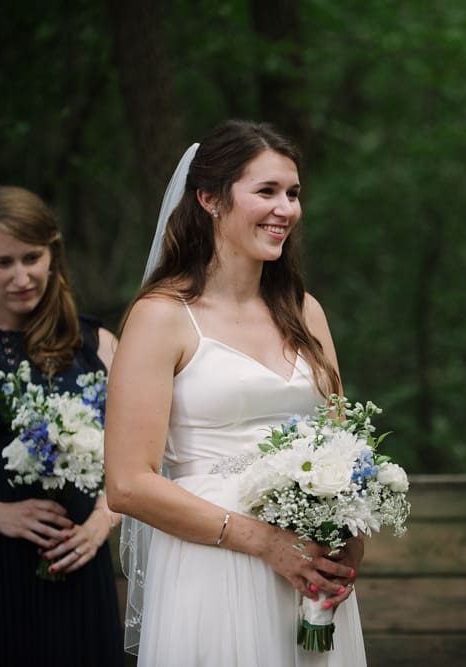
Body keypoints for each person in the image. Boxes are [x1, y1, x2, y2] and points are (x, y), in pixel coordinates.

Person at [104, 120, 367, 666]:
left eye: (293, 194)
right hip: (214, 567)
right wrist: (264, 542)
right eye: (266, 191)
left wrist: (351, 529)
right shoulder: (161, 318)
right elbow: (128, 485)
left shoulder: (305, 311)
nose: (286, 209)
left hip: (309, 571)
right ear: (210, 199)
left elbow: (345, 444)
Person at [0, 185, 123, 666]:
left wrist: (99, 525)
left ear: (53, 253)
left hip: (80, 566)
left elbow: (137, 458)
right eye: (3, 262)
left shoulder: (99, 343)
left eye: (31, 257)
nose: (20, 276)